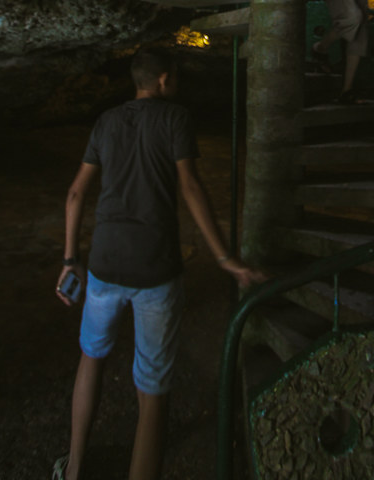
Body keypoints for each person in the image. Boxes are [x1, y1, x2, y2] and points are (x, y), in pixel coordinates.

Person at [53, 47, 263, 480]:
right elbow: (190, 186)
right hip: (155, 269)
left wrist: (70, 259)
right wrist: (225, 258)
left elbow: (75, 194)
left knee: (91, 357)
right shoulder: (176, 119)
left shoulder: (106, 121)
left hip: (104, 266)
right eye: (176, 79)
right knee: (152, 389)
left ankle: (73, 470)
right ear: (163, 80)